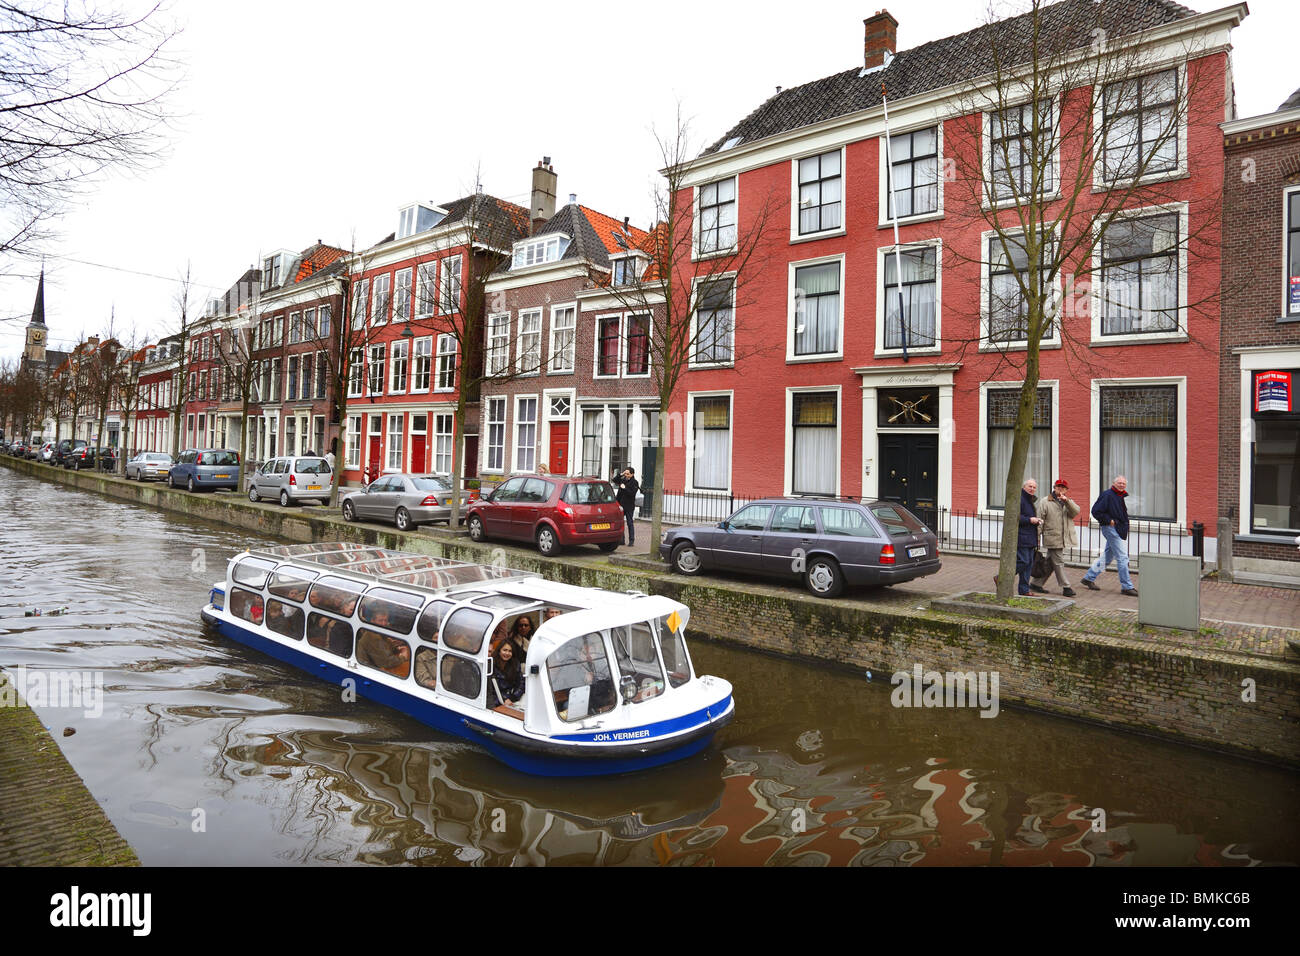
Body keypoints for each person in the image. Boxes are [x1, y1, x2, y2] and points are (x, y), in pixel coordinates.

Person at [1081, 475, 1138, 596]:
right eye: (1119, 483)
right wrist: (1108, 520)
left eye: (1123, 483)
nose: (1122, 485)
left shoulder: (1120, 496)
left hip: (1117, 528)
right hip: (1110, 528)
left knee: (1107, 557)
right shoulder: (1107, 495)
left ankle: (1088, 578)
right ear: (1114, 483)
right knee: (1122, 558)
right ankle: (1127, 587)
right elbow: (1096, 511)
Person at [1030, 479, 1081, 597]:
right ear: (1054, 487)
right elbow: (1039, 519)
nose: (1060, 489)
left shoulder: (1068, 502)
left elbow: (1075, 512)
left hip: (1063, 537)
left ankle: (1036, 584)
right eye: (1058, 487)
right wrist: (1036, 536)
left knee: (1051, 562)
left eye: (1063, 488)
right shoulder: (1045, 501)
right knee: (1058, 561)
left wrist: (1067, 501)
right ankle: (1066, 587)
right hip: (1051, 537)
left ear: (1067, 490)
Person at [1016, 478, 1043, 596]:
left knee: (1029, 565)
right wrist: (1030, 520)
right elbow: (1015, 517)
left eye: (1034, 487)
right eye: (1030, 486)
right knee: (1024, 561)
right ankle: (1001, 577)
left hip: (1030, 537)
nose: (1032, 489)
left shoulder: (1030, 500)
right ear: (1024, 487)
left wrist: (1036, 521)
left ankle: (1024, 590)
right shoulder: (1020, 499)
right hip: (1022, 537)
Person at [488, 640, 525, 708]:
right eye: (505, 650)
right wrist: (502, 701)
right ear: (499, 651)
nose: (507, 653)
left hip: (511, 700)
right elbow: (489, 690)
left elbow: (521, 684)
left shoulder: (515, 664)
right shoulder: (491, 664)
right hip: (494, 700)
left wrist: (512, 698)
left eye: (510, 651)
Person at [614, 466, 639, 547]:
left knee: (629, 523)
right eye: (626, 473)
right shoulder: (623, 479)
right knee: (621, 522)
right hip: (621, 505)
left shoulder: (635, 482)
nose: (626, 475)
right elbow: (614, 480)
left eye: (628, 474)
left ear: (632, 474)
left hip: (629, 505)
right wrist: (621, 474)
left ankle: (631, 540)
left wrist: (624, 488)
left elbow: (632, 494)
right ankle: (622, 540)